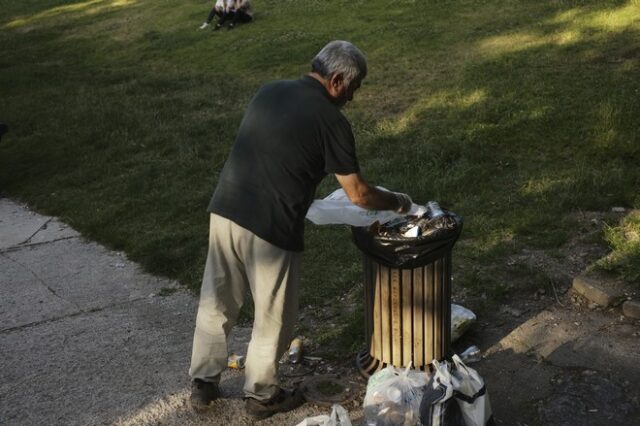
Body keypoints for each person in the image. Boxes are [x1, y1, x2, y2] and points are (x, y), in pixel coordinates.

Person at [188, 40, 413, 419]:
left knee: (218, 299)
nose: (352, 100)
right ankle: (261, 395)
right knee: (274, 316)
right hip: (271, 226)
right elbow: (357, 194)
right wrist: (397, 201)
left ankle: (203, 382)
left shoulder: (269, 89)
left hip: (225, 208)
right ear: (338, 80)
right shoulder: (332, 121)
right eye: (354, 90)